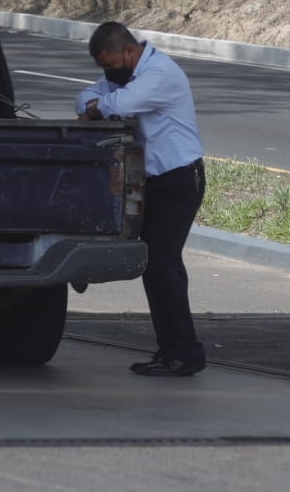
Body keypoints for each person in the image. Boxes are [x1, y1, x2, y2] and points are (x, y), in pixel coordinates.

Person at [76, 22, 207, 377]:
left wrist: (96, 107)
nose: (108, 72)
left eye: (110, 64)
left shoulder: (159, 73)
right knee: (155, 268)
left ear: (129, 52)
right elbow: (88, 94)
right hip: (154, 181)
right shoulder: (129, 74)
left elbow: (118, 103)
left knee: (164, 266)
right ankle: (170, 350)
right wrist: (93, 103)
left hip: (179, 178)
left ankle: (185, 352)